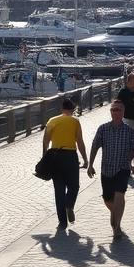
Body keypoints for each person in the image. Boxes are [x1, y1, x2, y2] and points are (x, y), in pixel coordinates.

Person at [88, 99, 134, 240]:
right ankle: (114, 212)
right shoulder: (103, 129)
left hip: (123, 168)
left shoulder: (129, 131)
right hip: (106, 169)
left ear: (123, 112)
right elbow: (95, 146)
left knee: (119, 195)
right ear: (110, 112)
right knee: (108, 199)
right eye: (113, 109)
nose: (116, 112)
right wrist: (90, 164)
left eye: (119, 109)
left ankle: (117, 228)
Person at [42, 98, 88, 230]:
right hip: (70, 156)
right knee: (74, 186)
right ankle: (69, 205)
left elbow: (45, 141)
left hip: (55, 157)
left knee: (59, 190)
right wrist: (85, 159)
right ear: (72, 110)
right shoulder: (75, 121)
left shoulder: (52, 121)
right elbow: (80, 142)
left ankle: (62, 222)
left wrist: (45, 158)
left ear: (61, 109)